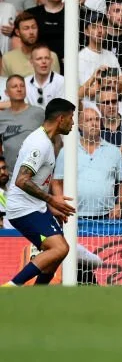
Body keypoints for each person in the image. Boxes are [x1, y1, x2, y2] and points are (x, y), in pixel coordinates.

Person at [3, 98, 76, 286]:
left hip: (36, 206)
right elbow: (21, 180)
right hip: (22, 209)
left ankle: (37, 297)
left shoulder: (45, 140)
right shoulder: (40, 144)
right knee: (59, 249)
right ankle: (11, 288)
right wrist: (52, 200)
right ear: (61, 119)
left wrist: (49, 206)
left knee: (58, 253)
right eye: (71, 117)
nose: (73, 122)